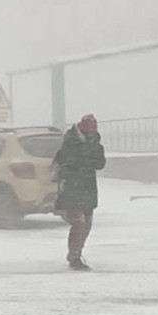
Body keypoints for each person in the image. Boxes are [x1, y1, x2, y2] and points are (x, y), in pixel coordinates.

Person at [52, 114, 106, 271]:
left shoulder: (96, 144)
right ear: (82, 129)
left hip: (87, 188)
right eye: (89, 131)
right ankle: (74, 255)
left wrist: (87, 158)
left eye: (93, 131)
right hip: (72, 188)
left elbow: (100, 163)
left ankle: (77, 251)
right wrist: (84, 161)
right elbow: (66, 162)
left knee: (87, 223)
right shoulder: (70, 143)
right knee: (79, 222)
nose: (91, 134)